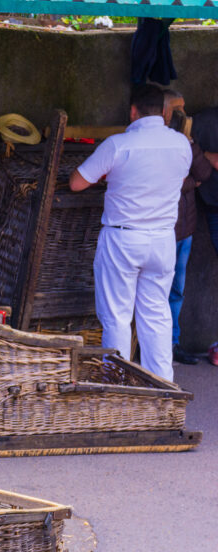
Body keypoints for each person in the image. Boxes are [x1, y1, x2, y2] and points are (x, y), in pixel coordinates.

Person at [70, 84, 191, 381]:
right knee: (157, 317)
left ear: (133, 111)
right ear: (165, 112)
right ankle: (162, 389)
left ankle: (117, 387)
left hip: (123, 239)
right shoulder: (181, 145)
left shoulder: (118, 145)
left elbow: (76, 182)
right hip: (162, 240)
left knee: (117, 318)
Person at [162, 89, 213, 365]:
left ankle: (172, 344)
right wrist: (191, 184)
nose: (183, 115)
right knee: (154, 292)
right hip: (162, 230)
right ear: (164, 112)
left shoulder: (185, 141)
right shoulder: (156, 141)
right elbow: (167, 179)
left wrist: (190, 143)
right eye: (177, 109)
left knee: (177, 291)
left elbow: (204, 171)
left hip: (186, 228)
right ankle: (147, 347)